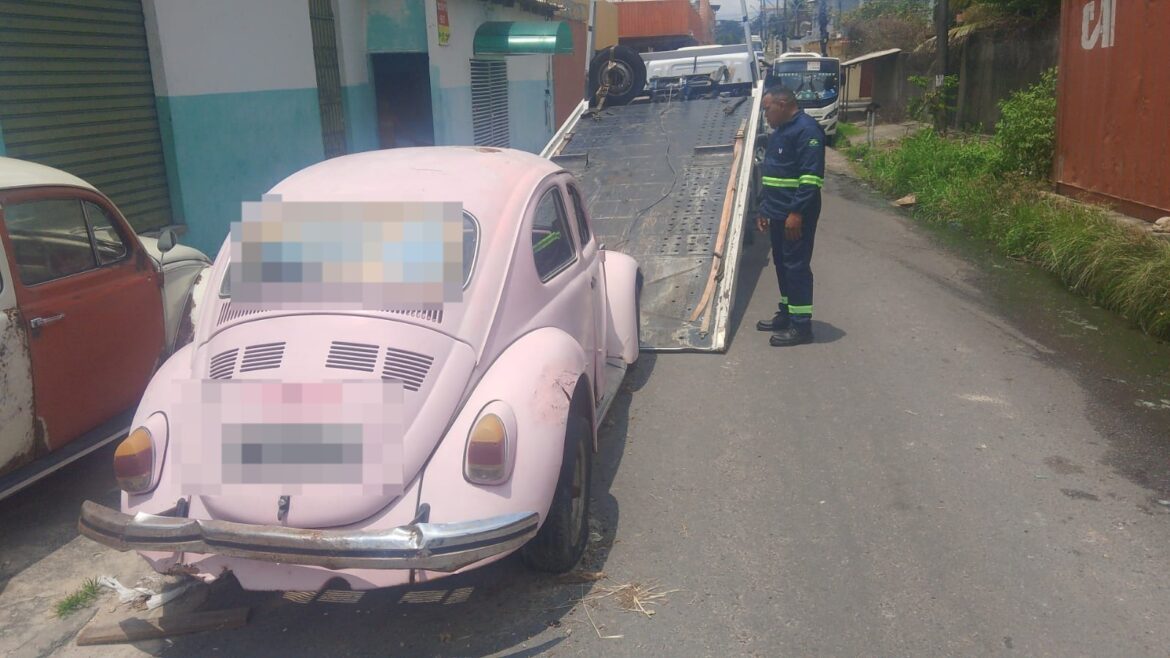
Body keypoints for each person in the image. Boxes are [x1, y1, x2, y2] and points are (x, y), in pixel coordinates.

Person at [755, 86, 825, 346]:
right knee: (782, 265)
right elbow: (773, 176)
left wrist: (796, 213)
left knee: (796, 267)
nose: (765, 116)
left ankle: (801, 327)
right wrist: (764, 208)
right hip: (777, 211)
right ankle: (787, 313)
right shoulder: (780, 132)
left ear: (782, 104)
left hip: (795, 215)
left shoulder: (807, 131)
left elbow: (810, 178)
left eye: (767, 109)